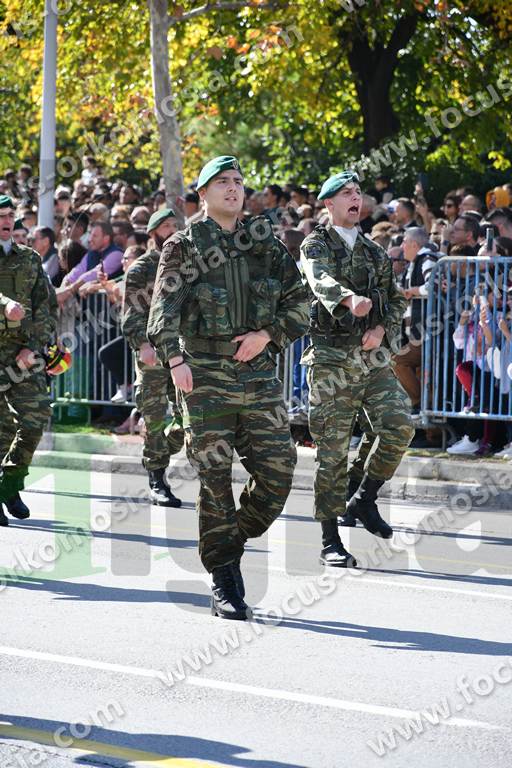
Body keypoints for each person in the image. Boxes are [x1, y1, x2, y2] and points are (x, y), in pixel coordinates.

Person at [147, 156, 309, 619]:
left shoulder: (264, 243)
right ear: (203, 194)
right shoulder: (183, 246)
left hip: (257, 374)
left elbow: (300, 302)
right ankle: (224, 579)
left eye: (238, 181)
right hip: (203, 375)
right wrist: (174, 360)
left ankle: (229, 540)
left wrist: (268, 335)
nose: (233, 188)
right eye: (222, 182)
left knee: (279, 471)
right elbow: (162, 311)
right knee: (215, 479)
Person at [300, 171, 414, 567]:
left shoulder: (373, 251)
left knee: (399, 426)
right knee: (332, 451)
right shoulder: (316, 243)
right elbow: (318, 279)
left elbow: (396, 300)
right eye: (346, 193)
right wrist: (349, 299)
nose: (355, 198)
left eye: (358, 192)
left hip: (372, 359)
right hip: (331, 360)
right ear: (328, 204)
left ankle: (364, 497)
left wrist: (381, 329)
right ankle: (330, 539)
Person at [122, 209, 183, 507]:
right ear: (153, 233)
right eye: (165, 226)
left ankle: (157, 454)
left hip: (183, 352)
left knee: (188, 419)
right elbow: (131, 315)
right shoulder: (141, 269)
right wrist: (142, 346)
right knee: (155, 417)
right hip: (153, 354)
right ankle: (157, 479)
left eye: (174, 225)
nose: (171, 230)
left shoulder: (187, 265)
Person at [0, 195, 54, 525]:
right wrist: (4, 305)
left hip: (22, 354)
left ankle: (8, 484)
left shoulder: (30, 259)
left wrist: (32, 347)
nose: (6, 221)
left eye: (9, 215)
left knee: (35, 420)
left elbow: (46, 307)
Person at [393, 227, 438, 414]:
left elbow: (434, 285)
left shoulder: (426, 260)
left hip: (428, 331)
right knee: (419, 373)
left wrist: (413, 291)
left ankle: (419, 404)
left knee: (397, 360)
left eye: (404, 242)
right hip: (417, 333)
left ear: (413, 244)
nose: (402, 246)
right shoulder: (415, 263)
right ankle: (425, 415)